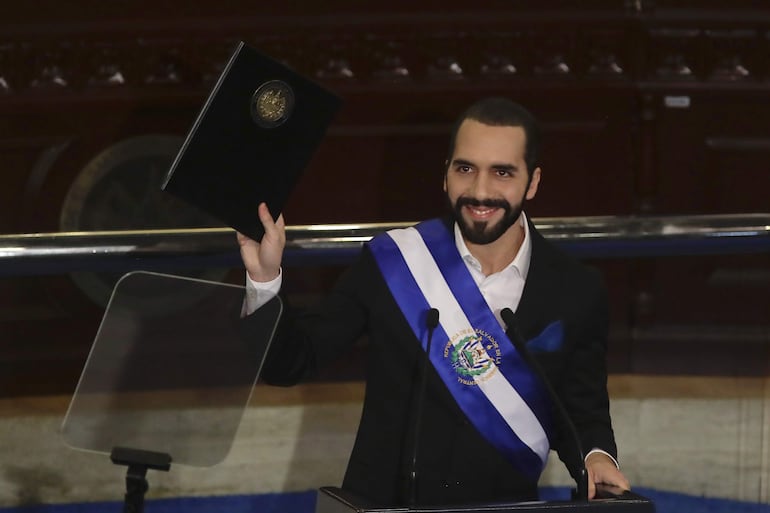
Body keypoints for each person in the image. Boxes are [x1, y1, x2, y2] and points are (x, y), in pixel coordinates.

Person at [237, 97, 630, 506]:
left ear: (532, 182)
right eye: (465, 169)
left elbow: (582, 410)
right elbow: (288, 363)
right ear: (445, 175)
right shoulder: (394, 261)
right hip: (387, 506)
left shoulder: (576, 288)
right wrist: (263, 278)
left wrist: (595, 455)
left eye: (502, 173)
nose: (480, 191)